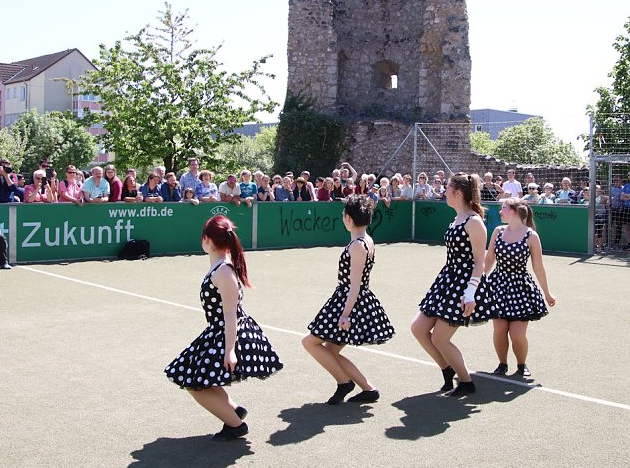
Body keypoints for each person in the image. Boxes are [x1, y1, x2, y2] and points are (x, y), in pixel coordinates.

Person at [164, 215, 283, 440]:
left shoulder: (224, 271)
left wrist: (230, 350)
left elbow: (231, 315)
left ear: (207, 240)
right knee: (198, 376)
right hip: (218, 331)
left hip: (228, 333)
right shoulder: (220, 267)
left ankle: (236, 425)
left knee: (194, 382)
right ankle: (234, 411)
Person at [303, 195, 395, 404]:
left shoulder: (357, 246)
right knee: (330, 350)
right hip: (349, 299)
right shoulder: (364, 241)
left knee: (310, 342)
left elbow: (355, 285)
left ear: (348, 218)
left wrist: (345, 315)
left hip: (350, 301)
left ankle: (344, 382)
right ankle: (367, 388)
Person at [411, 173, 493, 397]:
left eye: (447, 188)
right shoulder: (456, 219)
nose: (444, 191)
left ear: (458, 193)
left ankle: (466, 382)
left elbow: (479, 263)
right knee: (418, 328)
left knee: (440, 338)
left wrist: (470, 292)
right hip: (447, 280)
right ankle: (447, 370)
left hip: (464, 284)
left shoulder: (474, 221)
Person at [485, 198, 555, 378]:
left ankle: (521, 365)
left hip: (521, 288)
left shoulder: (531, 236)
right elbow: (489, 259)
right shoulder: (498, 231)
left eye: (504, 208)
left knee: (517, 334)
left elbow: (538, 267)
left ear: (515, 211)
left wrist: (547, 293)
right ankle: (502, 364)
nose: (500, 212)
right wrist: (476, 282)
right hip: (498, 285)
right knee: (499, 329)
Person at [594, 185, 609, 252]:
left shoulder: (602, 197)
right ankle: (594, 245)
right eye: (596, 189)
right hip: (593, 216)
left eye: (598, 189)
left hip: (600, 216)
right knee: (594, 232)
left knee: (600, 231)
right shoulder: (591, 197)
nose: (597, 191)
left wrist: (607, 202)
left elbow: (610, 198)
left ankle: (599, 247)